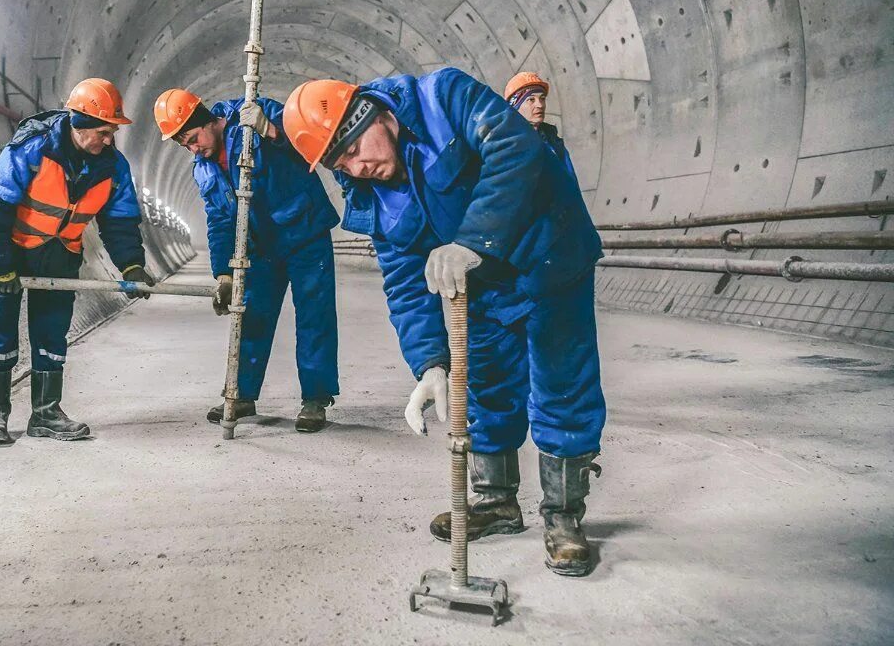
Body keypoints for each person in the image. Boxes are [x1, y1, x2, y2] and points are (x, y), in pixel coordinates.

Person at [280, 68, 606, 576]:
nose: (357, 167)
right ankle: (497, 504)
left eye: (353, 148)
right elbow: (405, 283)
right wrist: (430, 364)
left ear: (373, 112)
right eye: (339, 163)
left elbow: (516, 150)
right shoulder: (370, 197)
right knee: (488, 387)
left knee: (562, 386)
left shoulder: (443, 99)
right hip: (479, 287)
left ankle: (564, 517)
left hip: (548, 258)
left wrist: (472, 240)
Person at [0, 78, 154, 444]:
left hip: (61, 255)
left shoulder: (114, 167)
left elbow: (119, 222)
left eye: (113, 132)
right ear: (79, 123)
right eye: (103, 132)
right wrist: (1, 264)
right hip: (12, 249)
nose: (109, 140)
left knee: (52, 332)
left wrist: (132, 265)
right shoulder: (33, 147)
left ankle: (45, 414)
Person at [153, 88, 339, 432]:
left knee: (314, 315)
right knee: (250, 315)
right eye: (185, 146)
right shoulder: (204, 169)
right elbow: (219, 220)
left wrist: (271, 130)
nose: (194, 149)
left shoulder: (255, 114)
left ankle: (315, 398)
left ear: (207, 120)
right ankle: (241, 394)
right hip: (259, 247)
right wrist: (223, 273)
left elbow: (313, 145)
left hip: (304, 231)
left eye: (193, 138)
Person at [504, 71, 578, 183]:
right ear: (515, 106)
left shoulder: (553, 141)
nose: (540, 105)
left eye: (542, 98)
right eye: (531, 100)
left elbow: (571, 185)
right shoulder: (504, 144)